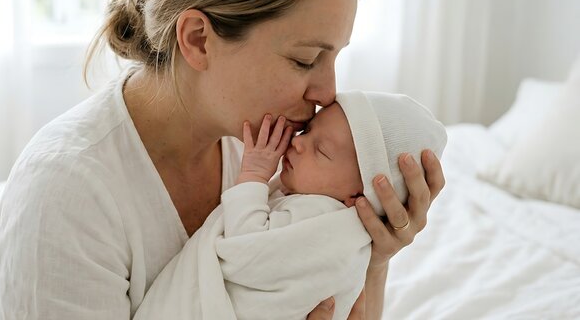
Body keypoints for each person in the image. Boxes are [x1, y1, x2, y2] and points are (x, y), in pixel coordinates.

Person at [0, 0, 446, 319]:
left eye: (334, 58)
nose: (328, 92)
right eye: (306, 59)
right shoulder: (66, 196)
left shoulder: (273, 148)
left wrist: (375, 256)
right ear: (199, 39)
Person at [133, 90, 447, 320]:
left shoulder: (323, 220)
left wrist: (254, 175)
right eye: (308, 131)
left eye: (321, 150)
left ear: (359, 197)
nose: (297, 141)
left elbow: (245, 248)